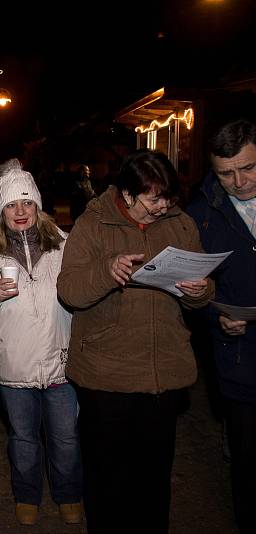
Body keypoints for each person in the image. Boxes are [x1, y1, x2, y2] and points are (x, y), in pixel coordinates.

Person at [56, 149, 213, 534]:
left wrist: (199, 289)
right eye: (153, 198)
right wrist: (107, 271)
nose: (162, 206)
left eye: (168, 197)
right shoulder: (93, 224)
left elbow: (204, 293)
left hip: (162, 373)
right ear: (127, 194)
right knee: (107, 477)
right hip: (106, 376)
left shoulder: (181, 224)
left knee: (154, 476)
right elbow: (70, 290)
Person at [0, 166, 82, 526]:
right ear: (1, 212)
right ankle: (27, 494)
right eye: (11, 205)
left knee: (65, 438)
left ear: (38, 206)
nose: (20, 211)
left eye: (27, 203)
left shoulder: (64, 245)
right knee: (23, 439)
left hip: (61, 361)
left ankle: (68, 493)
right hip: (14, 363)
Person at [186, 119, 256, 533]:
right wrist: (215, 316)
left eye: (248, 168)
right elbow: (193, 288)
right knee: (247, 460)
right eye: (226, 173)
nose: (238, 181)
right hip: (239, 357)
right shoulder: (201, 215)